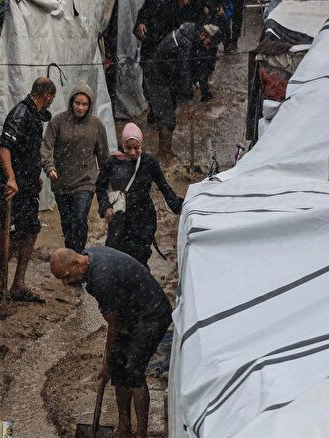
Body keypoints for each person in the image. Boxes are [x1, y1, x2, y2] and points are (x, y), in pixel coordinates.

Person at [49, 246, 172, 438]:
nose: (65, 283)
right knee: (120, 367)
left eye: (66, 277)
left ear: (77, 264)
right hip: (132, 313)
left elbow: (113, 326)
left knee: (133, 369)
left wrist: (106, 363)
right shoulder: (89, 257)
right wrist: (113, 362)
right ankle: (124, 430)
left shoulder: (100, 279)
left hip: (151, 314)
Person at [0, 77, 56, 303]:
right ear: (48, 96)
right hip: (14, 186)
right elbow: (4, 149)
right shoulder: (20, 114)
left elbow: (27, 151)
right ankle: (2, 281)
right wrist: (11, 178)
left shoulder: (34, 115)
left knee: (28, 231)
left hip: (26, 184)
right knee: (18, 234)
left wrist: (34, 175)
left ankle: (14, 282)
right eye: (51, 99)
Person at [95, 123, 183, 265]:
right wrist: (105, 207)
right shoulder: (112, 162)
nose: (132, 152)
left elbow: (163, 185)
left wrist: (177, 205)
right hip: (120, 217)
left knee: (140, 258)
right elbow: (100, 186)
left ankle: (138, 284)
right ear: (122, 145)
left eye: (136, 148)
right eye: (128, 147)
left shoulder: (148, 162)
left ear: (142, 145)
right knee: (115, 255)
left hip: (143, 217)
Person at [40, 81, 109, 254]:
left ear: (90, 105)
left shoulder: (96, 125)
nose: (80, 107)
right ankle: (71, 256)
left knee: (79, 219)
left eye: (84, 104)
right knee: (67, 222)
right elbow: (46, 147)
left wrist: (108, 182)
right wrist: (49, 168)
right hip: (61, 181)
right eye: (77, 103)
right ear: (71, 102)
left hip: (85, 182)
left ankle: (78, 257)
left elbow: (103, 155)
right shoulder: (58, 121)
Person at [142, 22, 220, 160]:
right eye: (208, 43)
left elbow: (187, 68)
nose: (207, 47)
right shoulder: (185, 43)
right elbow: (184, 71)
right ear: (203, 35)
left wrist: (192, 82)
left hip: (166, 75)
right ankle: (164, 155)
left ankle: (165, 151)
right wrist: (190, 102)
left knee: (168, 114)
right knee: (167, 118)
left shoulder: (189, 35)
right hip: (156, 77)